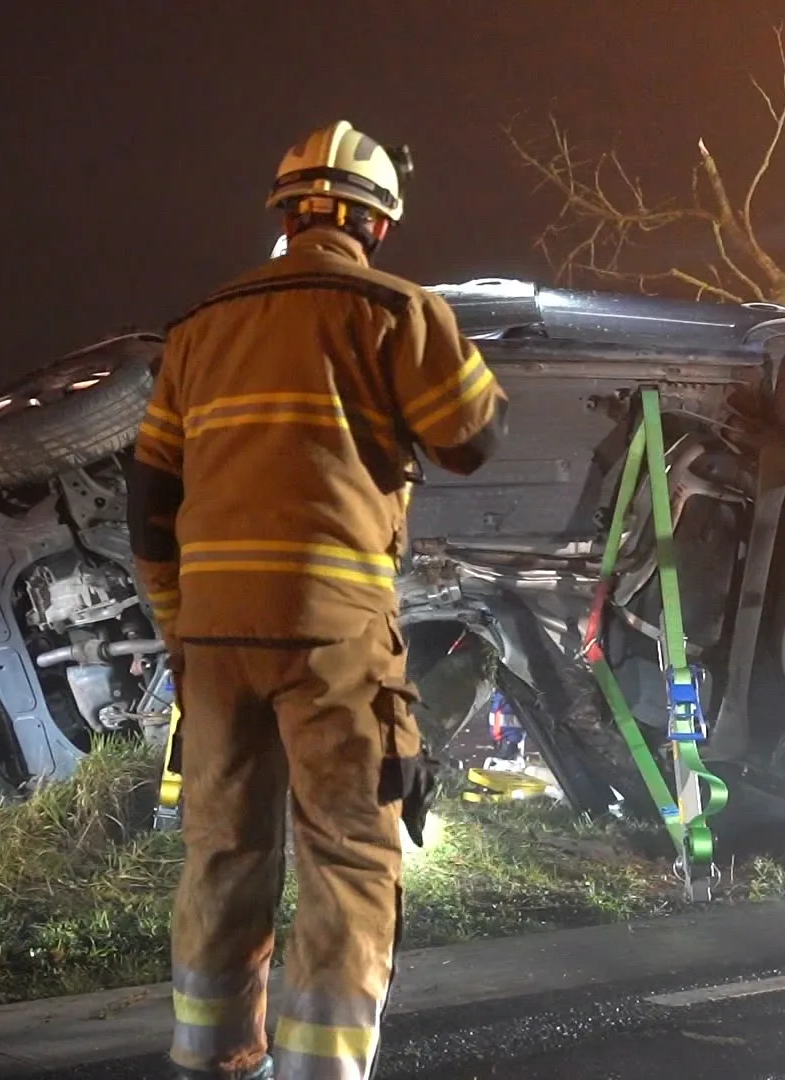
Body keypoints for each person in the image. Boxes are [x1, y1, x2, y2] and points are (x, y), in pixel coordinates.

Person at [132, 120, 506, 1080]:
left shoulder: (198, 327)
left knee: (222, 850)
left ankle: (211, 1055)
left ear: (288, 214)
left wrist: (181, 629)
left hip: (213, 640)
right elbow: (472, 435)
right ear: (377, 225)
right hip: (335, 638)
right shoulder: (395, 309)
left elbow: (149, 502)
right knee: (348, 852)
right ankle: (323, 1067)